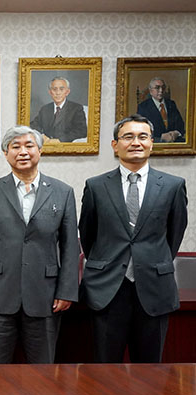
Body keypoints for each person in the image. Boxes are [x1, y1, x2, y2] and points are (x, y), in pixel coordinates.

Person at [79, 114, 188, 363]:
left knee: (150, 373)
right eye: (128, 137)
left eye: (142, 136)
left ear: (152, 142)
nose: (135, 142)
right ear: (115, 145)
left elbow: (174, 234)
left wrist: (150, 259)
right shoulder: (96, 186)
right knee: (104, 372)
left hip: (154, 288)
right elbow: (88, 234)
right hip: (107, 289)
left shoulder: (172, 186)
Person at [0, 125, 79, 364]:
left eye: (29, 146)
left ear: (39, 151)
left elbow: (71, 248)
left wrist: (66, 291)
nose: (23, 151)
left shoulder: (63, 192)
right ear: (6, 154)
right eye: (15, 147)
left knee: (42, 377)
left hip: (46, 296)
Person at [29, 77, 87, 143]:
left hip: (65, 147)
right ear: (50, 92)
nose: (58, 93)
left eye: (61, 89)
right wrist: (41, 135)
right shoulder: (45, 109)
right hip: (47, 146)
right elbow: (33, 125)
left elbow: (82, 131)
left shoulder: (76, 108)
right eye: (54, 89)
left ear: (67, 92)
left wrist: (60, 140)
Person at [137, 77, 185, 142]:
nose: (161, 90)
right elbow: (141, 130)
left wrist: (175, 133)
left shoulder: (171, 104)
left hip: (174, 141)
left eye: (163, 87)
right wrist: (161, 137)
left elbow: (181, 125)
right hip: (155, 143)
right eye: (157, 88)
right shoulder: (143, 107)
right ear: (151, 91)